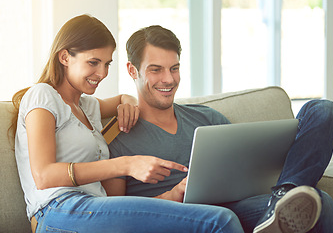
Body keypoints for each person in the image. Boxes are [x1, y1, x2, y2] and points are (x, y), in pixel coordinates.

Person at [11, 15, 244, 233]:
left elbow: (124, 98)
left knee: (223, 215)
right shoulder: (42, 95)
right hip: (56, 210)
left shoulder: (88, 106)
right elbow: (44, 176)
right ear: (64, 57)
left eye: (107, 64)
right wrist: (126, 165)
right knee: (219, 221)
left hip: (95, 208)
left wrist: (129, 100)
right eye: (93, 62)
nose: (101, 73)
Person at [109, 25, 333, 233]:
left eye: (174, 68)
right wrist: (174, 195)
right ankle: (283, 201)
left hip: (240, 204)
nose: (168, 79)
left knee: (323, 111)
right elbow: (113, 218)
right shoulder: (119, 137)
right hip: (188, 217)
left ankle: (285, 194)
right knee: (319, 204)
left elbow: (243, 170)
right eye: (156, 70)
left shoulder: (207, 118)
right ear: (132, 71)